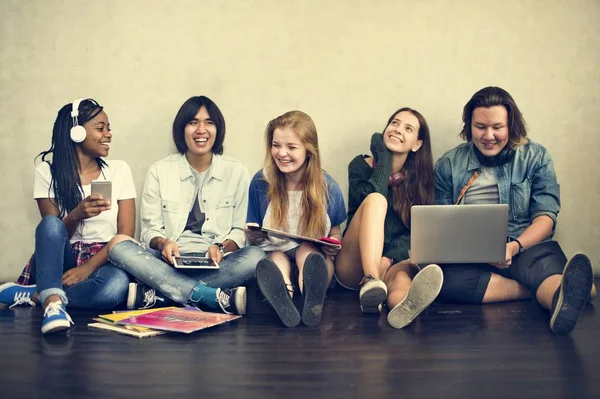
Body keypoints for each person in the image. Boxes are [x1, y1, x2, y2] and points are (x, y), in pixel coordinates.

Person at [434, 86, 594, 335]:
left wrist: (514, 246)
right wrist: (473, 250)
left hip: (525, 246)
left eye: (497, 127)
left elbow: (545, 218)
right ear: (469, 126)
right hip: (470, 255)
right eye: (480, 127)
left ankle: (558, 300)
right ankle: (558, 289)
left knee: (543, 267)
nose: (488, 135)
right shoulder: (448, 164)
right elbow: (442, 222)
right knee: (443, 281)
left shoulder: (536, 157)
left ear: (511, 125)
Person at [107, 95, 265, 315]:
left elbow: (240, 231)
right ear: (181, 129)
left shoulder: (236, 171)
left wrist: (220, 247)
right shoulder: (160, 171)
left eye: (209, 122)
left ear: (218, 130)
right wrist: (164, 244)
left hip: (218, 261)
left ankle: (162, 294)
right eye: (193, 122)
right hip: (167, 262)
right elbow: (150, 230)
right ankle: (209, 296)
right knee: (118, 246)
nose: (201, 130)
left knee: (256, 257)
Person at [0, 98, 133, 334]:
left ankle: (38, 293)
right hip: (62, 257)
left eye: (109, 128)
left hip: (104, 257)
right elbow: (52, 234)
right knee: (51, 223)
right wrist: (76, 215)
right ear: (77, 132)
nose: (109, 134)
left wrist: (89, 267)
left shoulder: (119, 170)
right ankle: (53, 305)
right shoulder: (47, 172)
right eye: (101, 128)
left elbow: (125, 234)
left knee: (115, 288)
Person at [335, 107, 444, 329]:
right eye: (394, 123)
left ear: (417, 144)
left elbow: (416, 233)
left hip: (389, 263)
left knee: (402, 279)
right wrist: (384, 158)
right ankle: (371, 281)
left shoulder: (420, 181)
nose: (397, 130)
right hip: (353, 264)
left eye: (408, 128)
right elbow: (368, 202)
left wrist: (392, 258)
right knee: (376, 200)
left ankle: (402, 307)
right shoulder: (360, 166)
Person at [245, 110, 346, 327]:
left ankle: (311, 294)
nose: (281, 153)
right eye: (276, 145)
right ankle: (284, 296)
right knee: (277, 256)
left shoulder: (328, 188)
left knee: (306, 250)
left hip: (313, 255)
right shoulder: (260, 183)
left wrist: (334, 244)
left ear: (309, 151)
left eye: (291, 147)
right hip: (274, 250)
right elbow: (254, 231)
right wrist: (252, 235)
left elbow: (335, 231)